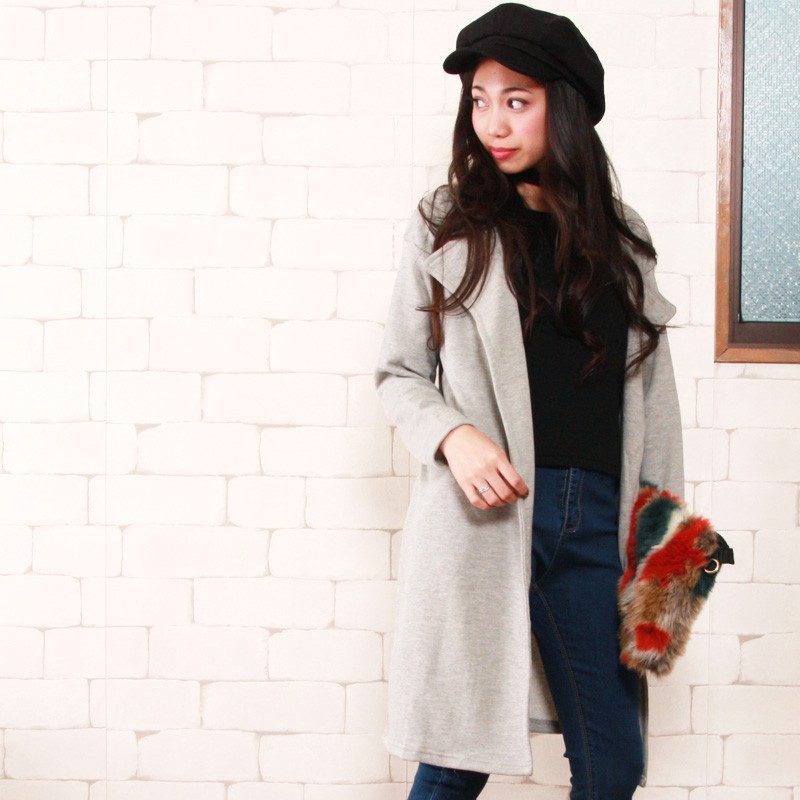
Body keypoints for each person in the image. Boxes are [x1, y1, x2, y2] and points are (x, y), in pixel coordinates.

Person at [373, 4, 684, 800]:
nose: (493, 122)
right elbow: (399, 373)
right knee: (458, 755)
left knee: (614, 765)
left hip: (599, 524)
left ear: (565, 106)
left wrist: (669, 570)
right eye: (480, 99)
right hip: (488, 516)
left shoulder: (622, 237)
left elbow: (655, 405)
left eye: (517, 100)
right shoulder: (447, 224)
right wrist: (456, 436)